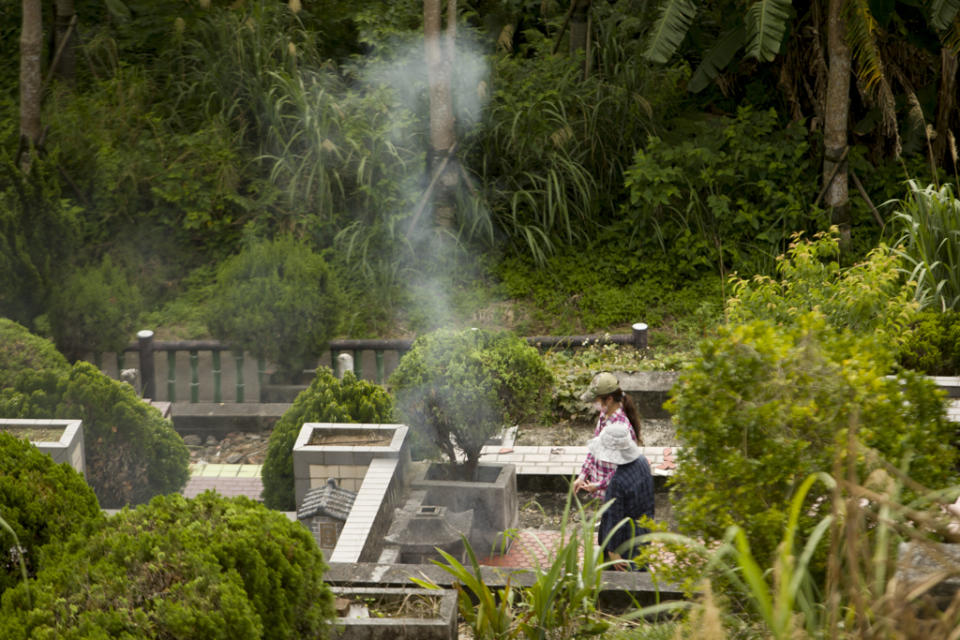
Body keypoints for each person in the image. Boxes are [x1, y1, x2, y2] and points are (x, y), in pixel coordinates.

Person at [586, 421, 655, 570]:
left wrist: (613, 551)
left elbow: (614, 518)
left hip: (624, 543)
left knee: (622, 584)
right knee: (641, 572)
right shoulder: (642, 462)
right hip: (643, 532)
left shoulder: (617, 482)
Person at [572, 372, 642, 500]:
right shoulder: (604, 416)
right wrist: (582, 476)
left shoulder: (621, 429)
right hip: (605, 495)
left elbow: (623, 469)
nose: (594, 404)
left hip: (618, 494)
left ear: (609, 399)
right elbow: (595, 449)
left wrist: (599, 485)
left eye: (596, 400)